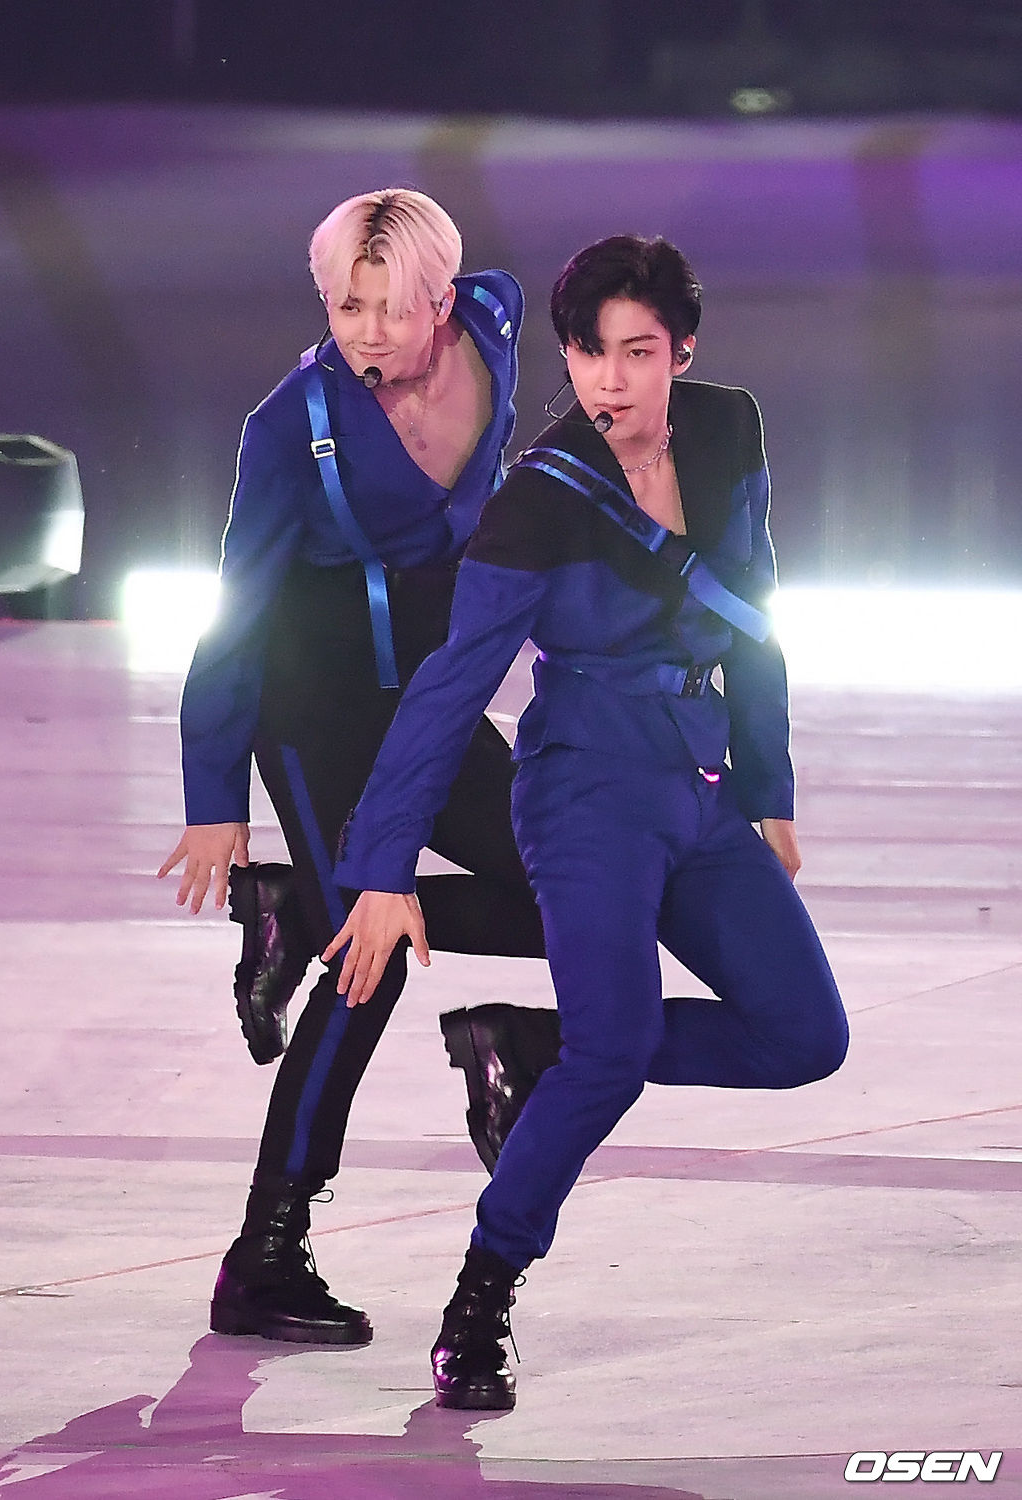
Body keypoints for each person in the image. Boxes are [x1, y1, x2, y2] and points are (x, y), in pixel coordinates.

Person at [324, 234, 850, 1409]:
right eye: (588, 353)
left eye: (637, 352)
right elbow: (451, 686)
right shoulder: (540, 499)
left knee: (804, 1037)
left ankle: (526, 1048)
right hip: (583, 793)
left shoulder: (727, 430)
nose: (610, 379)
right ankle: (481, 1298)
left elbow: (754, 608)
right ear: (566, 355)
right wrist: (382, 865)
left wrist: (766, 787)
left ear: (681, 352)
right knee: (611, 1057)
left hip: (696, 787)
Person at [158, 189, 550, 1346]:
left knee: (576, 883)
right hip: (313, 701)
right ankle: (264, 1256)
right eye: (344, 307)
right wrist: (212, 795)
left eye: (390, 307)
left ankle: (313, 916)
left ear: (444, 298)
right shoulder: (292, 424)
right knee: (364, 965)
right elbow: (236, 605)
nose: (366, 332)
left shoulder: (495, 326)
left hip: (429, 700)